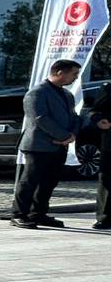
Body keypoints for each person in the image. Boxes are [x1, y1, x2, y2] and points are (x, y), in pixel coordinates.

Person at [12, 59, 82, 229]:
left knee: (49, 181)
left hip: (60, 145)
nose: (75, 78)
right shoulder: (37, 93)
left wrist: (71, 135)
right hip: (38, 145)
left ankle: (38, 213)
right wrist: (63, 135)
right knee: (30, 180)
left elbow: (74, 116)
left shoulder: (67, 94)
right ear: (60, 72)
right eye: (73, 74)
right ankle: (19, 214)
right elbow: (39, 118)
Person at [88, 81, 111, 230]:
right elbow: (95, 112)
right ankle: (105, 217)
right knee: (108, 179)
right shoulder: (109, 88)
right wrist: (99, 120)